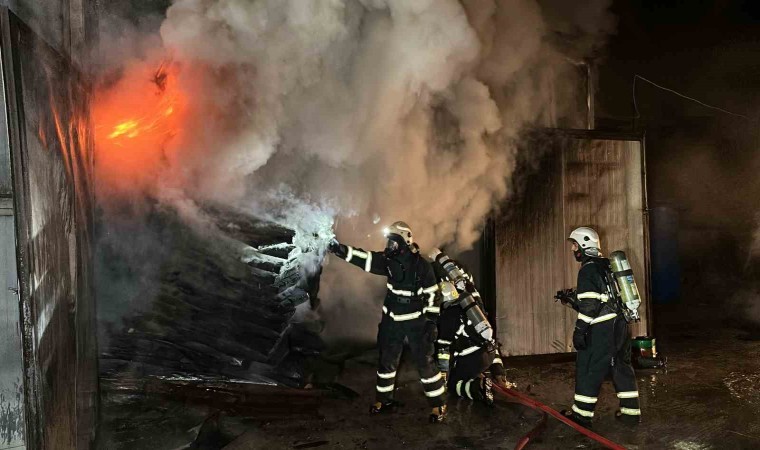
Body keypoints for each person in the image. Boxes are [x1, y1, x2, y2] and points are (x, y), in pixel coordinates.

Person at [328, 221, 447, 423]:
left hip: (416, 322)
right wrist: (339, 250)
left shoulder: (422, 266)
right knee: (386, 361)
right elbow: (365, 258)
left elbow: (432, 296)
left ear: (404, 242)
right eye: (388, 242)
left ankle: (438, 404)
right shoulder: (387, 260)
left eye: (393, 242)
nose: (389, 246)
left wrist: (431, 322)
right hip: (391, 319)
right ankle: (384, 400)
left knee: (425, 364)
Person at [561, 227, 641, 428]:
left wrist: (580, 331)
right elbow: (605, 297)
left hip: (602, 328)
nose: (572, 249)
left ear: (583, 245)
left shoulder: (587, 269)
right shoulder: (607, 264)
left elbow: (590, 305)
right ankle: (631, 413)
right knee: (621, 366)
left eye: (574, 245)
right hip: (621, 324)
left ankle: (581, 415)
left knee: (589, 367)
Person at [428, 249, 509, 405]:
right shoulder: (472, 304)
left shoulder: (448, 316)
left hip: (472, 359)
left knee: (454, 384)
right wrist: (498, 370)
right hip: (490, 353)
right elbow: (489, 336)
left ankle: (478, 387)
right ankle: (496, 377)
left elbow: (443, 349)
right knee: (483, 344)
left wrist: (443, 378)